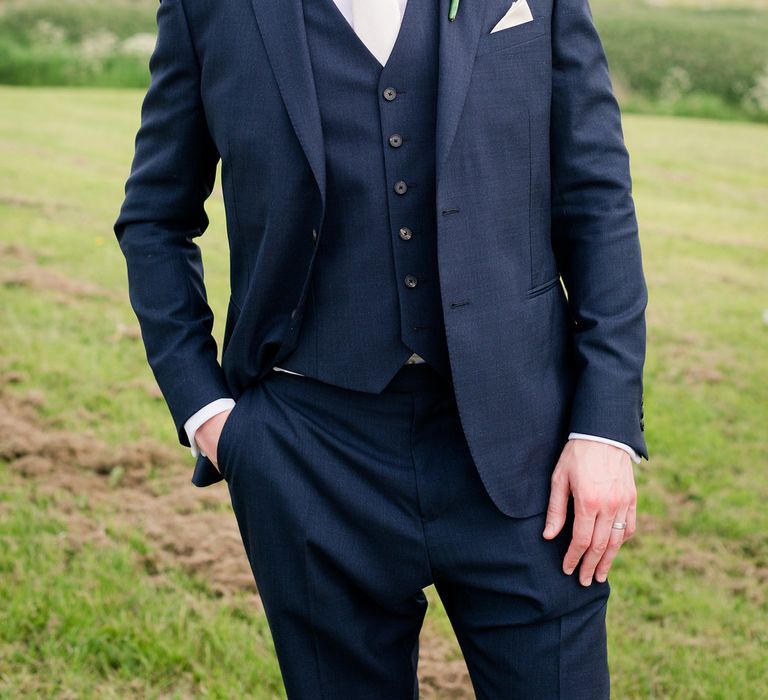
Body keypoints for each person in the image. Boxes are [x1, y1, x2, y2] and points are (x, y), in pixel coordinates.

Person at [114, 0, 648, 696]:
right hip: (309, 451)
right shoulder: (208, 8)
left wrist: (604, 427)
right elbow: (155, 220)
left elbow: (598, 200)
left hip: (526, 448)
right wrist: (212, 416)